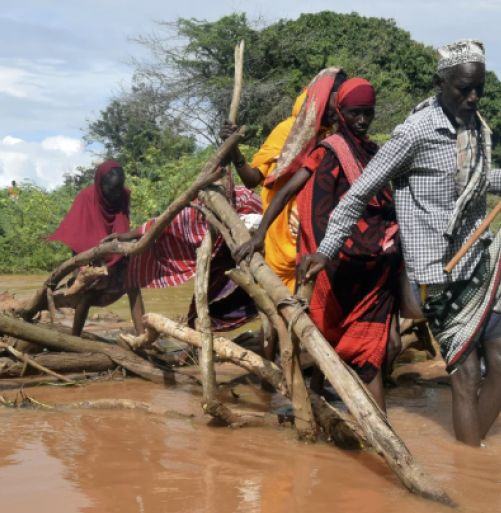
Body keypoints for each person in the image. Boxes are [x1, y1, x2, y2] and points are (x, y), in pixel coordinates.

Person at [302, 40, 501, 445]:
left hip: (477, 265)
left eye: (479, 88)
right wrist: (326, 249)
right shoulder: (414, 133)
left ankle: (474, 459)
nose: (473, 96)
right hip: (437, 276)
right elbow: (358, 193)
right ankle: (472, 469)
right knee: (464, 376)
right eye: (464, 88)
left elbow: (474, 185)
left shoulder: (475, 128)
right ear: (439, 83)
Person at [234, 79, 401, 410]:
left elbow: (388, 201)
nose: (363, 121)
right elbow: (285, 191)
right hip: (336, 261)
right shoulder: (329, 150)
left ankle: (369, 426)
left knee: (375, 347)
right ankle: (333, 407)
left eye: (369, 114)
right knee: (336, 338)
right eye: (356, 113)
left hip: (376, 266)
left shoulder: (373, 151)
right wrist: (258, 234)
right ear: (341, 112)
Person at [222, 67, 347, 292]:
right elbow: (252, 179)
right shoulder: (288, 131)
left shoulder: (335, 136)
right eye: (335, 100)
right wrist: (234, 149)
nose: (339, 108)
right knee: (280, 301)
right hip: (281, 232)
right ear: (321, 98)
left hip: (316, 233)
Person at [105, 185, 263, 332]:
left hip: (249, 253)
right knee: (201, 309)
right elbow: (159, 224)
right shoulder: (192, 215)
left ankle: (194, 346)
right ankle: (193, 347)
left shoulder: (245, 202)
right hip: (221, 255)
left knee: (256, 299)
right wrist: (124, 236)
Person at [48, 161, 145, 336]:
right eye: (111, 190)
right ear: (100, 184)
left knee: (133, 285)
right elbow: (77, 235)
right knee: (86, 294)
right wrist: (78, 272)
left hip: (117, 250)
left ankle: (143, 336)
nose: (116, 194)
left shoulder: (123, 195)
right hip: (92, 255)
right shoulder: (85, 198)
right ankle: (74, 337)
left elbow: (122, 224)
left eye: (119, 189)